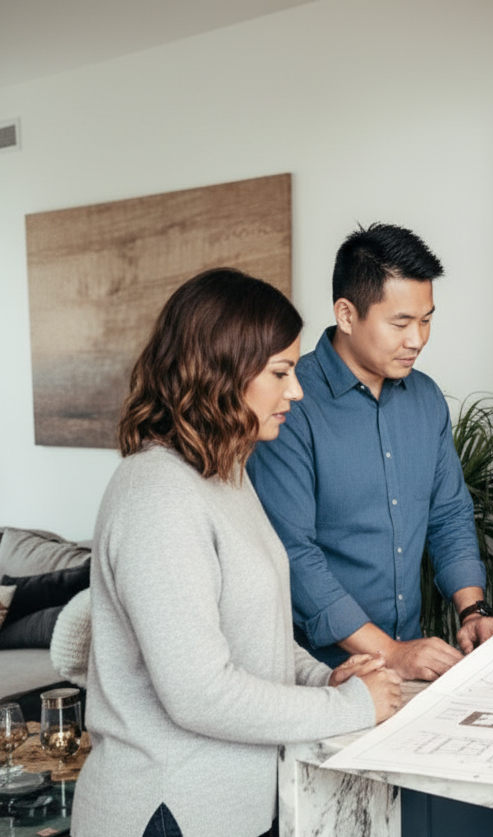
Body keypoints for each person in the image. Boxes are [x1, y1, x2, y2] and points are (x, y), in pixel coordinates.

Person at [72, 269, 402, 837]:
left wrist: (324, 679)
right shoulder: (157, 495)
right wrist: (350, 707)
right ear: (219, 373)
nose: (296, 392)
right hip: (167, 813)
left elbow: (255, 635)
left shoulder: (227, 474)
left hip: (231, 809)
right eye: (280, 372)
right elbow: (199, 694)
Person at [248, 223, 493, 682]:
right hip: (317, 675)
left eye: (426, 319)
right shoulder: (288, 403)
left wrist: (473, 610)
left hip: (408, 668)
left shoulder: (426, 399)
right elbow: (293, 554)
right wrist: (390, 652)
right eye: (401, 323)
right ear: (347, 315)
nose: (418, 339)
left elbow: (448, 515)